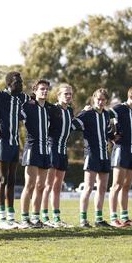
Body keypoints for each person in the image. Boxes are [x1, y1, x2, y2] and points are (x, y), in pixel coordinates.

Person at [73, 88, 113, 227]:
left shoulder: (107, 115)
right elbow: (73, 125)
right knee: (88, 187)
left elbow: (108, 132)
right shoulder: (88, 114)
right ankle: (83, 219)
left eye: (103, 100)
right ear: (93, 99)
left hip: (104, 155)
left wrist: (115, 137)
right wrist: (83, 111)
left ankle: (99, 218)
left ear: (106, 101)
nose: (100, 102)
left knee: (102, 188)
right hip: (91, 154)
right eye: (98, 99)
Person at [0, 71, 29, 228]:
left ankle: (11, 216)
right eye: (17, 82)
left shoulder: (22, 98)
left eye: (21, 82)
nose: (20, 85)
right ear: (9, 84)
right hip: (2, 143)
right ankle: (2, 219)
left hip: (15, 143)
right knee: (2, 179)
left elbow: (35, 100)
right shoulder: (0, 96)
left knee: (13, 180)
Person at [18, 79, 52, 229]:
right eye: (41, 89)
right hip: (32, 149)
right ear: (35, 91)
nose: (44, 91)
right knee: (30, 185)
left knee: (41, 186)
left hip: (45, 150)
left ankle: (36, 218)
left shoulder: (49, 109)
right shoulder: (28, 107)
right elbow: (15, 114)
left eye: (46, 89)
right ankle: (24, 219)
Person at [108, 86, 132, 227]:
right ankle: (113, 218)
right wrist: (110, 136)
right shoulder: (119, 108)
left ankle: (125, 218)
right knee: (116, 185)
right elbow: (103, 116)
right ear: (131, 96)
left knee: (127, 186)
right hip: (120, 150)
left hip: (131, 152)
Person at [41, 83, 74, 227]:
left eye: (70, 94)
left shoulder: (70, 111)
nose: (68, 96)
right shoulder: (52, 109)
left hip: (63, 151)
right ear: (58, 95)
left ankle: (56, 217)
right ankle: (44, 216)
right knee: (48, 185)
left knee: (58, 186)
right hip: (52, 148)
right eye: (65, 93)